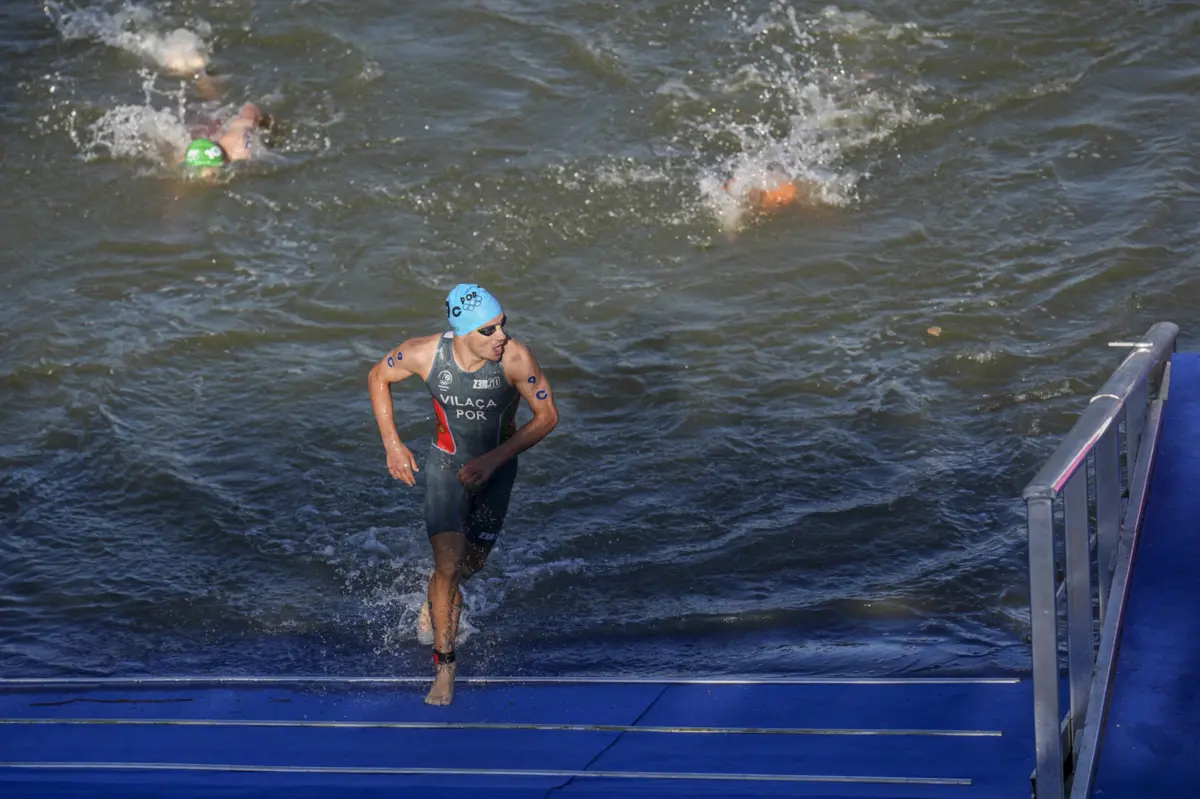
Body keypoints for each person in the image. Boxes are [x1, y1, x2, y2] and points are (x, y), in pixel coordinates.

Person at [367, 284, 559, 706]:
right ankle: (446, 666)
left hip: (497, 471)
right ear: (463, 332)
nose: (501, 336)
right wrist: (392, 444)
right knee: (450, 569)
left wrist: (493, 460)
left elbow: (547, 416)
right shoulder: (423, 354)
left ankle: (434, 594)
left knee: (470, 565)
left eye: (502, 325)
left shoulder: (515, 359)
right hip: (446, 470)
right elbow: (378, 375)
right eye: (489, 330)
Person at [181, 103, 273, 176]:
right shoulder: (186, 157)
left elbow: (251, 108)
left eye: (212, 175)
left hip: (228, 129)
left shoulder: (241, 149)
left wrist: (270, 128)